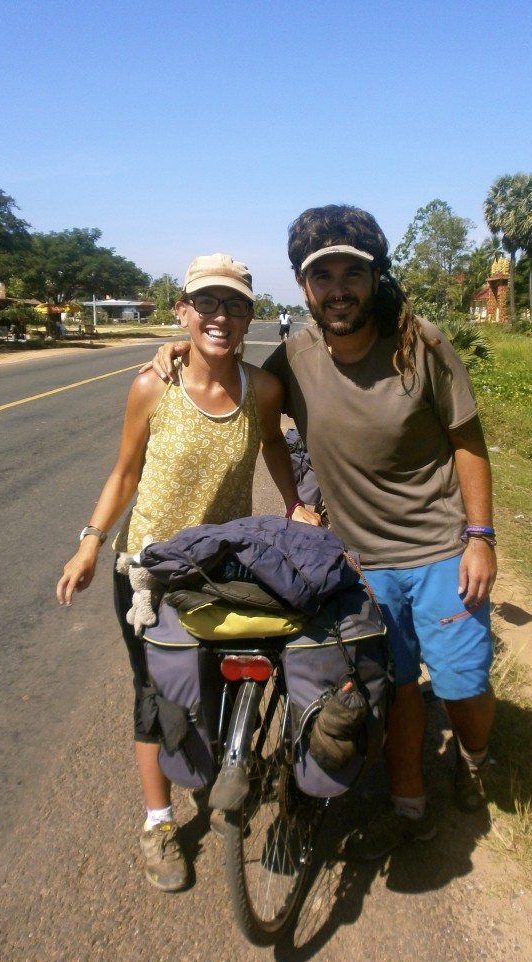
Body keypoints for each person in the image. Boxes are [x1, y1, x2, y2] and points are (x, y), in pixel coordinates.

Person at [149, 207, 498, 861]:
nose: (338, 288)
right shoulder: (296, 356)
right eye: (322, 275)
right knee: (393, 686)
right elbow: (244, 390)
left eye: (352, 273)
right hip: (355, 560)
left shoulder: (420, 344)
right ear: (304, 287)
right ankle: (408, 804)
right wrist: (176, 350)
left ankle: (476, 759)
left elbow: (467, 441)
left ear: (374, 276)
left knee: (461, 685)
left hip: (441, 550)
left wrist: (481, 536)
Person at [57, 253, 320, 892]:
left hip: (218, 565)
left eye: (233, 304)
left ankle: (230, 759)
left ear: (250, 314)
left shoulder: (264, 389)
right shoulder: (154, 385)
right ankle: (157, 821)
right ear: (183, 311)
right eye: (206, 304)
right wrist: (91, 543)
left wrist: (295, 505)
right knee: (156, 696)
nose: (220, 317)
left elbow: (274, 446)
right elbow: (125, 473)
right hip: (147, 568)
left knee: (226, 681)